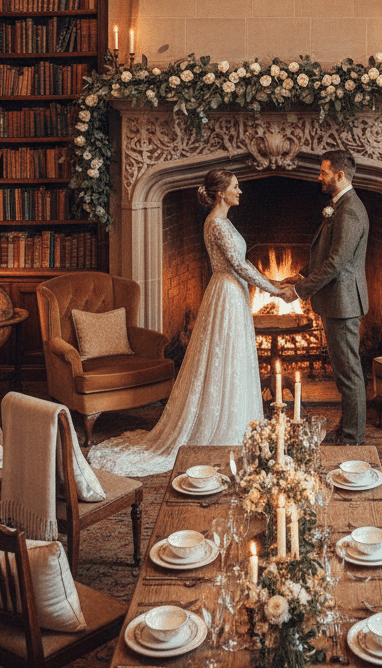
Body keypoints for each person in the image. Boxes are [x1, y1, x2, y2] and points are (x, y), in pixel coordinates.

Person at [87, 168, 283, 476]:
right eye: (235, 186)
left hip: (232, 292)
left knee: (232, 360)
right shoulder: (217, 224)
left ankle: (238, 424)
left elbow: (242, 264)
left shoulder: (223, 222)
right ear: (221, 193)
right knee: (225, 359)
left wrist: (274, 283)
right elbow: (239, 267)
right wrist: (277, 291)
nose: (240, 191)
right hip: (227, 294)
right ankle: (220, 433)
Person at [281, 149, 369, 445]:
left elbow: (336, 263)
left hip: (344, 304)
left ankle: (353, 438)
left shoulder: (351, 210)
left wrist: (298, 291)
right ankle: (347, 430)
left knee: (349, 375)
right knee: (345, 374)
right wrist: (302, 275)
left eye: (323, 172)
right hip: (336, 302)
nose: (319, 177)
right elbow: (327, 255)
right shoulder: (340, 206)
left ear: (339, 175)